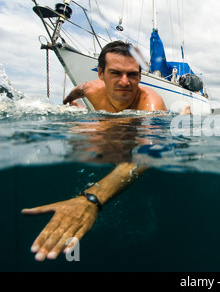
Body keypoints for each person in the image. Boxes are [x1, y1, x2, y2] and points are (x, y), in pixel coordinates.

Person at [21, 41, 168, 261]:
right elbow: (76, 92)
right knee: (86, 130)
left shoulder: (151, 103)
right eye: (115, 73)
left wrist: (92, 199)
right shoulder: (90, 88)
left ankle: (185, 114)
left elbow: (151, 150)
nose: (125, 82)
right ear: (101, 73)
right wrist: (68, 105)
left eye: (132, 75)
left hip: (137, 131)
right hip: (106, 124)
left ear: (140, 76)